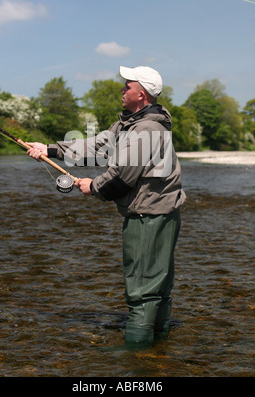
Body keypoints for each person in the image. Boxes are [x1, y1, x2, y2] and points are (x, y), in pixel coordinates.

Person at [26, 65, 186, 348]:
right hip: (160, 213)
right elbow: (95, 147)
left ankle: (137, 359)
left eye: (128, 86)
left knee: (142, 292)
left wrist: (94, 187)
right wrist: (50, 149)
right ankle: (159, 352)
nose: (122, 89)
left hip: (148, 217)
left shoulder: (147, 129)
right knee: (159, 288)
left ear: (142, 94)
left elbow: (123, 176)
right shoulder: (130, 124)